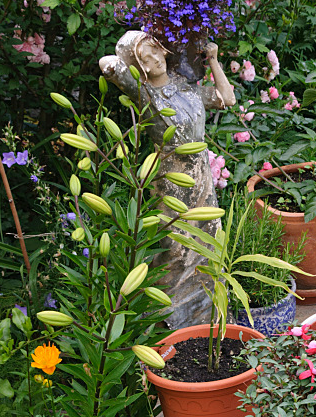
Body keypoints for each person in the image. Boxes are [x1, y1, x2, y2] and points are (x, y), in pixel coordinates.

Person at [99, 30, 236, 327]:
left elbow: (227, 97)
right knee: (175, 247)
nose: (153, 61)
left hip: (200, 174)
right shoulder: (144, 93)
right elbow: (108, 64)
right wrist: (128, 60)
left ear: (164, 51)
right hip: (171, 176)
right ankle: (168, 319)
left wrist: (212, 59)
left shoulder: (187, 88)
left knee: (209, 240)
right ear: (139, 67)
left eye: (154, 51)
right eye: (143, 58)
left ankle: (208, 315)